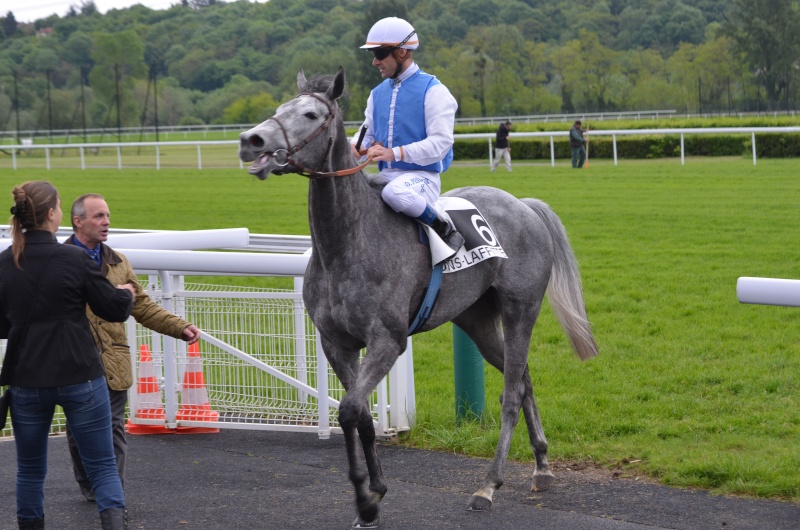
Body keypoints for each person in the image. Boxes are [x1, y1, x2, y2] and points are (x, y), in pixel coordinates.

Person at [0, 181, 136, 530]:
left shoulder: (5, 261)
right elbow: (113, 309)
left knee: (30, 470)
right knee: (103, 466)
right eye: (59, 206)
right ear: (51, 214)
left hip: (26, 379)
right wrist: (125, 293)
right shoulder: (73, 258)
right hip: (80, 375)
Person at [64, 193, 201, 504]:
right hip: (73, 360)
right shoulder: (59, 261)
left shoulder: (118, 262)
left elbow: (143, 307)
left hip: (113, 360)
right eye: (98, 216)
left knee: (113, 429)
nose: (106, 222)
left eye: (107, 215)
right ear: (78, 221)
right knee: (78, 430)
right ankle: (89, 485)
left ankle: (112, 492)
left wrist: (179, 326)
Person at [353, 17, 464, 251]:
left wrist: (394, 153)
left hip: (422, 179)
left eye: (380, 54)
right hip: (384, 178)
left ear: (402, 52)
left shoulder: (435, 91)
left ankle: (443, 227)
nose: (374, 62)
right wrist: (356, 149)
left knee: (395, 192)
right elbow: (366, 134)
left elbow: (440, 144)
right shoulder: (376, 94)